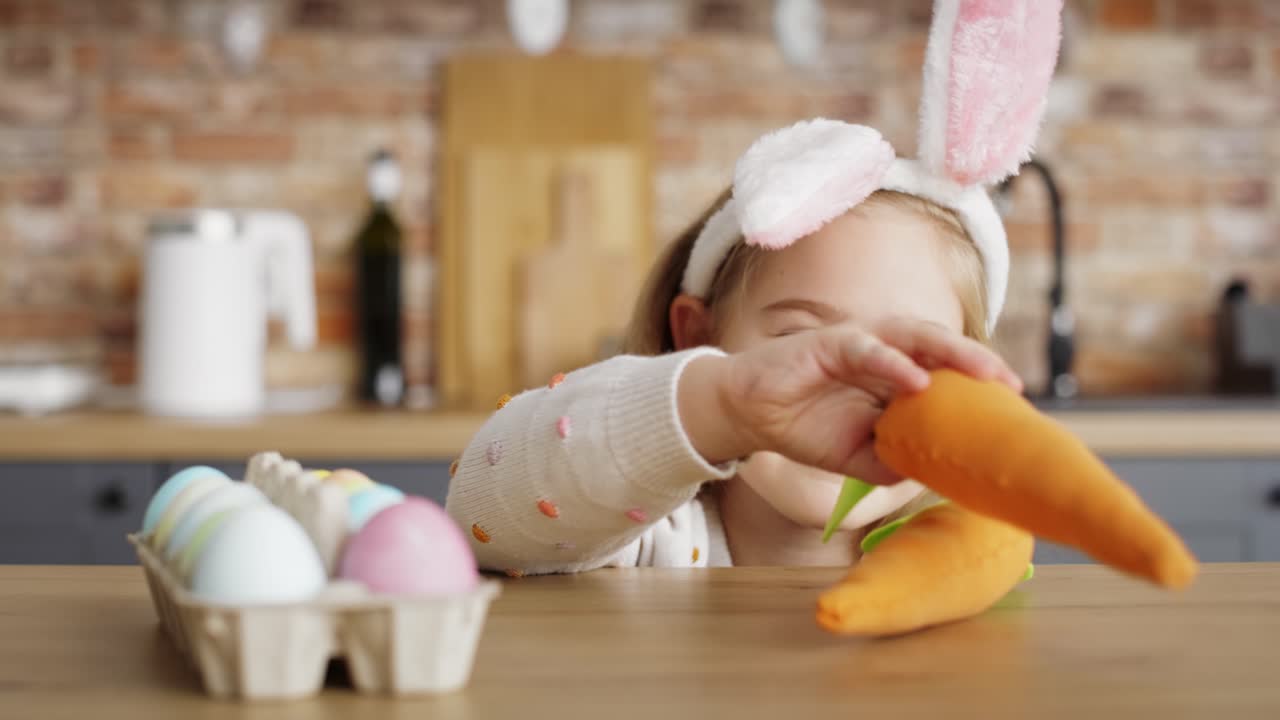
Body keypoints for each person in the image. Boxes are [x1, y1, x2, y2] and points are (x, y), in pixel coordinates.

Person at [446, 0, 1061, 577]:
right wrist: (722, 407)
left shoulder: (962, 560)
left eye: (914, 357)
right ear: (697, 336)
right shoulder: (642, 540)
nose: (858, 391)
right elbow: (478, 515)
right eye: (801, 338)